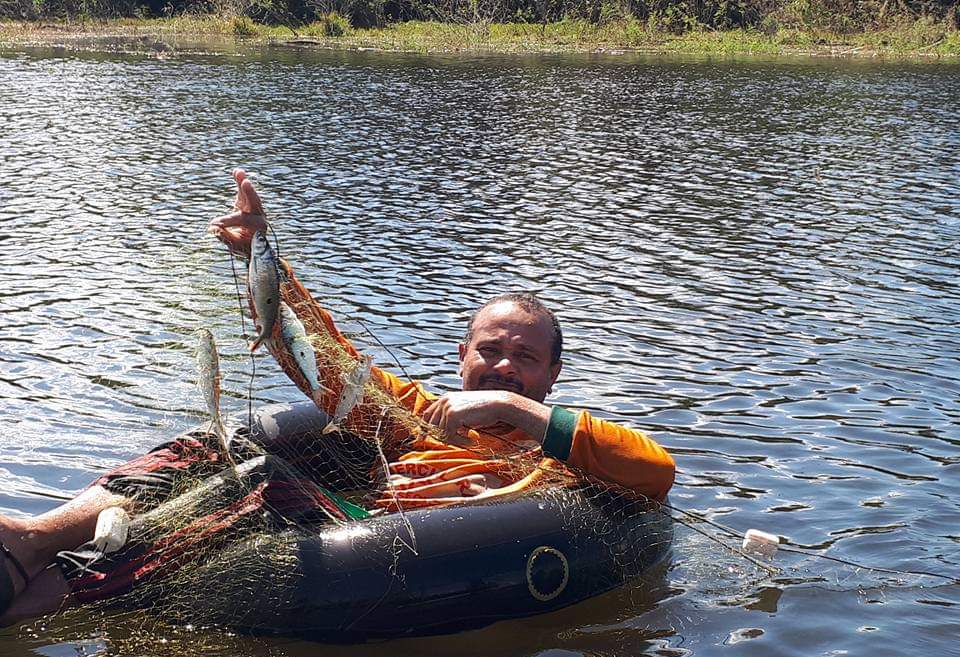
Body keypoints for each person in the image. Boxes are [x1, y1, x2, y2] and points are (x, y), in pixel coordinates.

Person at [0, 169, 674, 625]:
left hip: (396, 548)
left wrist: (512, 412)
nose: (503, 366)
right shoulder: (416, 414)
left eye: (524, 358)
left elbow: (656, 472)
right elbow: (328, 363)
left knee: (263, 484)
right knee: (211, 449)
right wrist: (265, 260)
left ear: (552, 375)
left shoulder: (570, 451)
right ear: (462, 357)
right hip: (347, 526)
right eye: (489, 350)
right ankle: (35, 538)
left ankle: (35, 606)